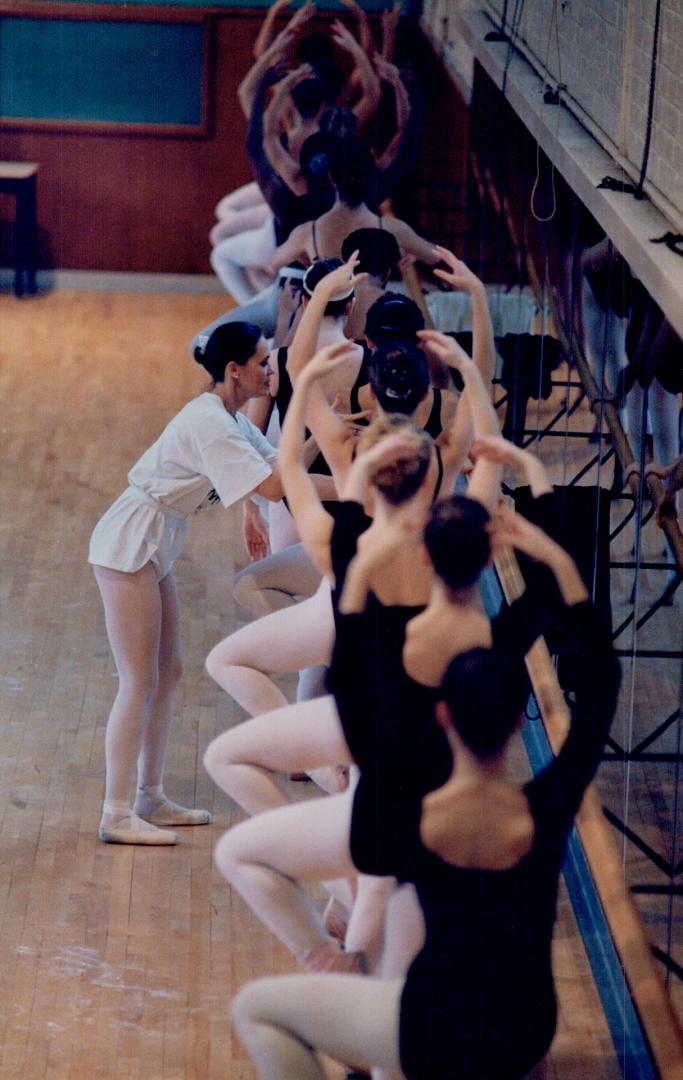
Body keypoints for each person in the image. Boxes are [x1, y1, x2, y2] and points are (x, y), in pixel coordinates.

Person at [229, 496, 620, 1080]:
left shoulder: (404, 813)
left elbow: (356, 676)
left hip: (435, 1027)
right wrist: (556, 560)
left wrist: (362, 565)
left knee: (256, 1009)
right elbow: (602, 679)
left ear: (443, 716)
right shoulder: (551, 804)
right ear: (519, 720)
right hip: (527, 1026)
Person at [88, 322, 331, 846]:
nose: (271, 371)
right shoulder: (212, 423)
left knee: (168, 673)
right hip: (130, 542)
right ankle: (114, 812)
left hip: (156, 543)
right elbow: (273, 484)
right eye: (265, 363)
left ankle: (149, 795)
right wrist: (311, 425)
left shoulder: (230, 416)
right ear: (233, 371)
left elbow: (283, 471)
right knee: (138, 680)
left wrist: (365, 481)